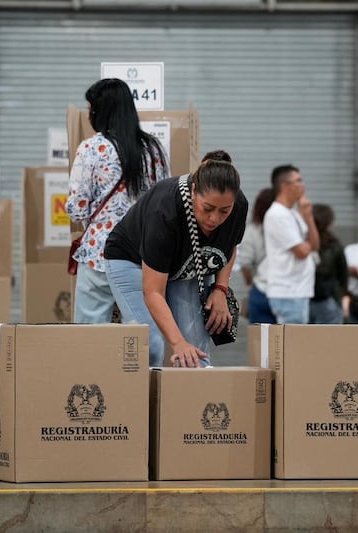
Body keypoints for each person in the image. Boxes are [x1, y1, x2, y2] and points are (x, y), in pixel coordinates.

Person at [105, 150, 248, 368]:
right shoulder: (164, 212)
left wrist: (221, 290)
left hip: (184, 266)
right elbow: (153, 292)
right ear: (194, 191)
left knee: (196, 351)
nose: (214, 219)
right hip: (130, 260)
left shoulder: (238, 206)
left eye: (224, 211)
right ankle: (141, 390)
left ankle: (195, 390)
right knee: (151, 344)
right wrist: (178, 342)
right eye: (207, 208)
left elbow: (229, 246)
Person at [66, 78, 169, 324]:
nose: (89, 114)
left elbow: (77, 209)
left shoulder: (91, 148)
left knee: (91, 333)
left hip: (99, 252)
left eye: (91, 108)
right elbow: (164, 201)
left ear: (101, 111)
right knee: (140, 330)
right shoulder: (153, 149)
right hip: (142, 254)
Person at [263, 164, 320, 324]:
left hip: (299, 290)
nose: (303, 185)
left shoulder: (293, 212)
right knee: (293, 339)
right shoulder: (277, 214)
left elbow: (314, 246)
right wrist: (307, 245)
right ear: (284, 186)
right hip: (288, 292)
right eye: (298, 181)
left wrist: (308, 217)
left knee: (300, 338)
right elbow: (302, 252)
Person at [237, 187, 276, 324]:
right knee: (289, 336)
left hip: (261, 290)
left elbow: (245, 264)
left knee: (262, 336)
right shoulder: (289, 230)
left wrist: (251, 283)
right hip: (288, 292)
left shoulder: (252, 231)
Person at [309, 204, 348, 324]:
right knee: (331, 335)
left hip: (305, 298)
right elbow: (343, 275)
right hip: (329, 297)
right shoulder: (334, 245)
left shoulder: (302, 244)